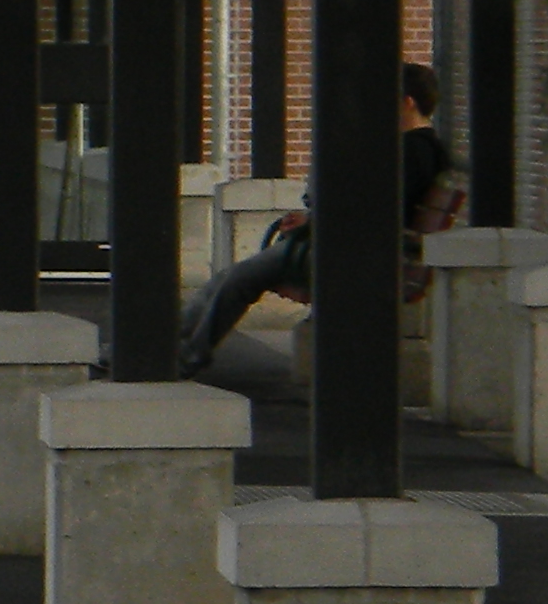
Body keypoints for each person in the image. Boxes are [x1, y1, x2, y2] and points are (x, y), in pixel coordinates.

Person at [177, 61, 455, 380]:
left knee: (238, 279)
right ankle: (179, 346)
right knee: (233, 277)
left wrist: (315, 223)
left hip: (354, 257)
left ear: (408, 102)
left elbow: (372, 211)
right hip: (356, 250)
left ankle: (186, 354)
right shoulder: (418, 150)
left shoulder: (411, 153)